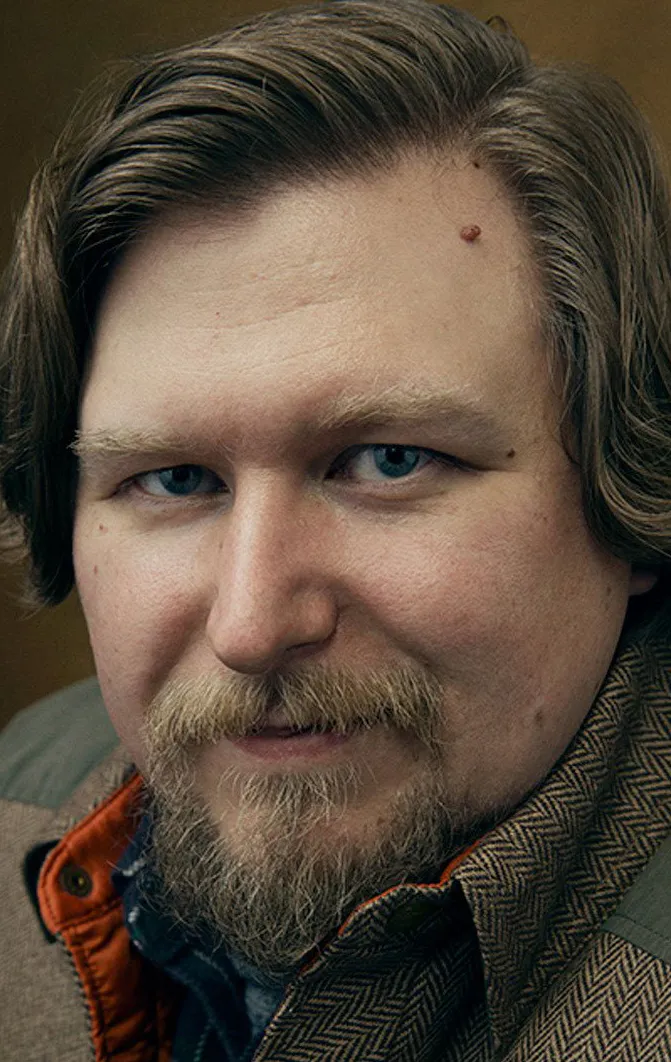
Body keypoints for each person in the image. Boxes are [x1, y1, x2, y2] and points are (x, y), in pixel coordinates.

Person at [1, 0, 670, 1058]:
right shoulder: (20, 802)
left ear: (632, 489)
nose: (251, 624)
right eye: (173, 479)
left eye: (387, 461)